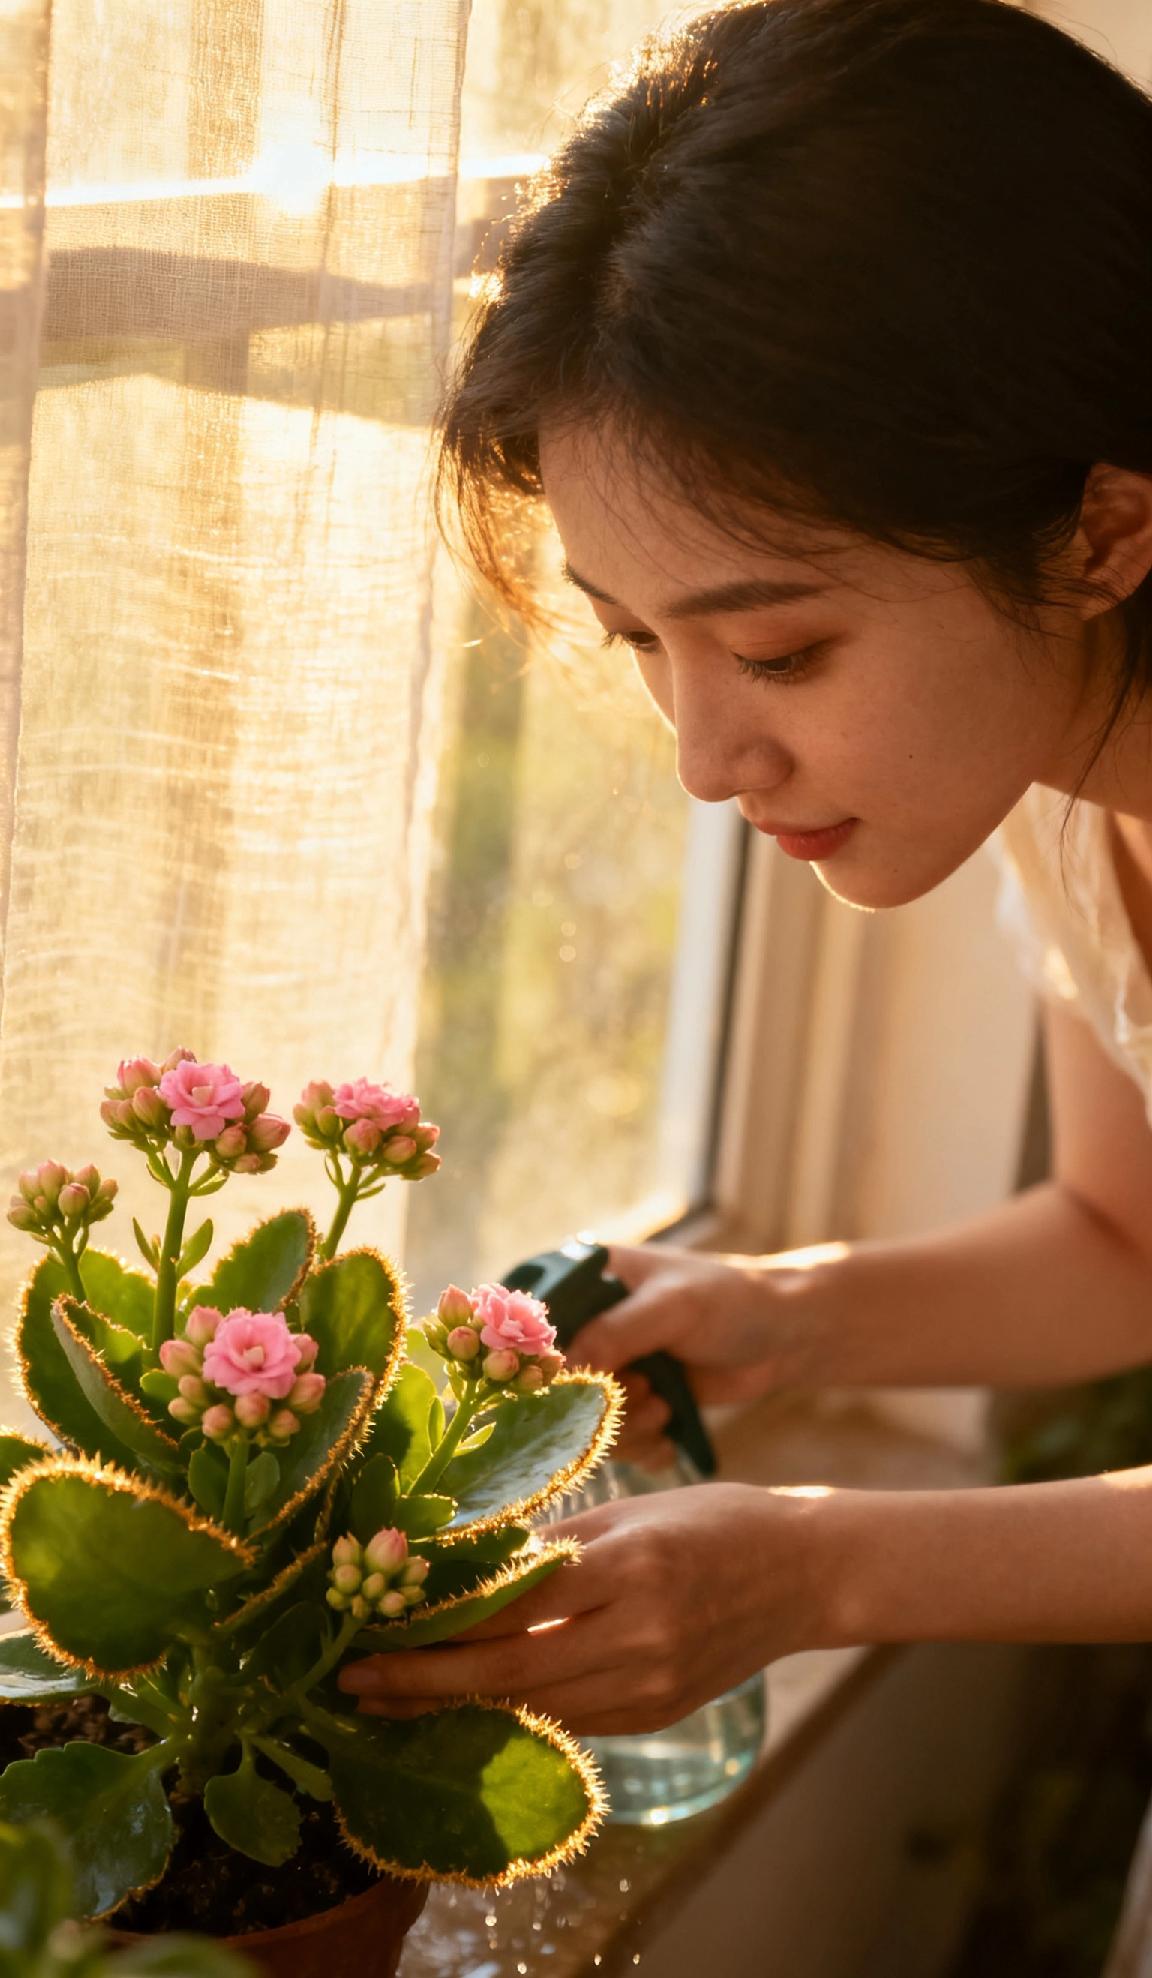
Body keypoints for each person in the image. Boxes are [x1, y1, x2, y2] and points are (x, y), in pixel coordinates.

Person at [340, 0, 1152, 1955]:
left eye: (777, 650)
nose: (708, 758)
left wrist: (822, 1560)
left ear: (1103, 524)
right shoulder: (1062, 792)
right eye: (639, 640)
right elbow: (1128, 1238)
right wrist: (778, 1314)